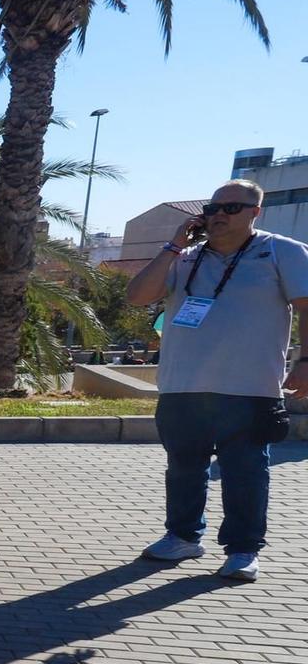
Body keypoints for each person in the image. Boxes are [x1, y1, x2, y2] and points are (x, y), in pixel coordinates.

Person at [125, 179, 308, 582]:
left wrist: (305, 360)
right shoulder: (186, 257)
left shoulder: (283, 251)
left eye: (231, 207)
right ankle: (183, 537)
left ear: (255, 213)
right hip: (182, 386)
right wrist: (173, 245)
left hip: (249, 388)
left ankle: (243, 550)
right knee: (184, 468)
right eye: (212, 207)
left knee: (245, 472)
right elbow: (138, 296)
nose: (219, 214)